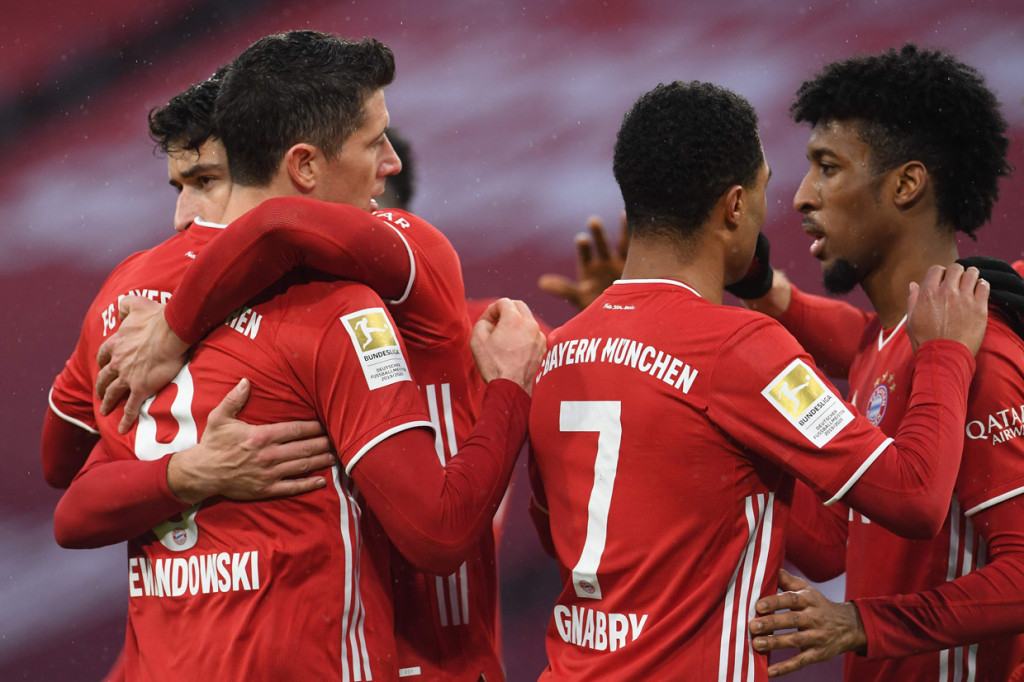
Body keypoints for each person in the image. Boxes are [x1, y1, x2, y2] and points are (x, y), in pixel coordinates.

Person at [52, 31, 544, 681]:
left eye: (203, 180)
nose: (185, 216)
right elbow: (438, 533)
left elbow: (64, 476)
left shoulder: (130, 297)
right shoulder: (347, 301)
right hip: (380, 657)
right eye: (375, 144)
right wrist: (191, 470)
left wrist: (174, 334)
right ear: (303, 163)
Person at [526, 79, 990, 681]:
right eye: (770, 188)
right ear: (735, 206)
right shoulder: (740, 349)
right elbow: (914, 496)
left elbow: (822, 548)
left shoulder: (558, 355)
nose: (788, 204)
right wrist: (946, 354)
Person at [738, 45, 1024, 681]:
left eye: (828, 168)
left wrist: (864, 623)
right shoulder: (887, 341)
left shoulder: (980, 351)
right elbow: (837, 541)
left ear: (905, 184)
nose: (804, 197)